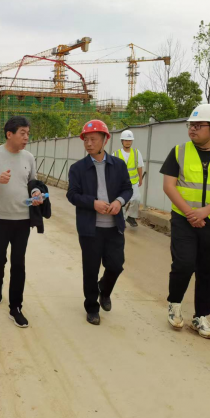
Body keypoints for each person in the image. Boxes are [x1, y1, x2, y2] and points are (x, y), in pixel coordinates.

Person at [161, 104, 210, 339]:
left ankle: (201, 317)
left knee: (208, 269)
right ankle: (175, 304)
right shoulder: (179, 151)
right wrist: (191, 213)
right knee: (184, 264)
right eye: (191, 125)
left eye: (199, 125)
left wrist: (205, 212)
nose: (192, 129)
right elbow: (169, 186)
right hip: (184, 219)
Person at [0, 116, 43, 328]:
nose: (26, 137)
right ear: (9, 134)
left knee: (18, 263)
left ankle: (16, 307)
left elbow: (33, 182)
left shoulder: (29, 157)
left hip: (23, 219)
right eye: (22, 133)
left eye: (28, 133)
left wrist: (36, 192)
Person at [67, 120, 132, 325]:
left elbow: (127, 189)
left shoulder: (118, 165)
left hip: (114, 227)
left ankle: (104, 290)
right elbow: (72, 195)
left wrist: (119, 202)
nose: (88, 143)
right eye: (86, 139)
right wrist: (93, 203)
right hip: (90, 228)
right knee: (91, 269)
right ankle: (92, 307)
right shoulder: (78, 168)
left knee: (116, 265)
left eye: (93, 139)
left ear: (105, 140)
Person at [113, 130, 144, 227]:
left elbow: (139, 166)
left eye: (130, 140)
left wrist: (140, 178)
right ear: (122, 141)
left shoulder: (136, 152)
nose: (128, 142)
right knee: (121, 201)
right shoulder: (116, 154)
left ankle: (131, 216)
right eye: (126, 140)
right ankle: (121, 220)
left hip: (133, 182)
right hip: (120, 183)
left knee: (136, 199)